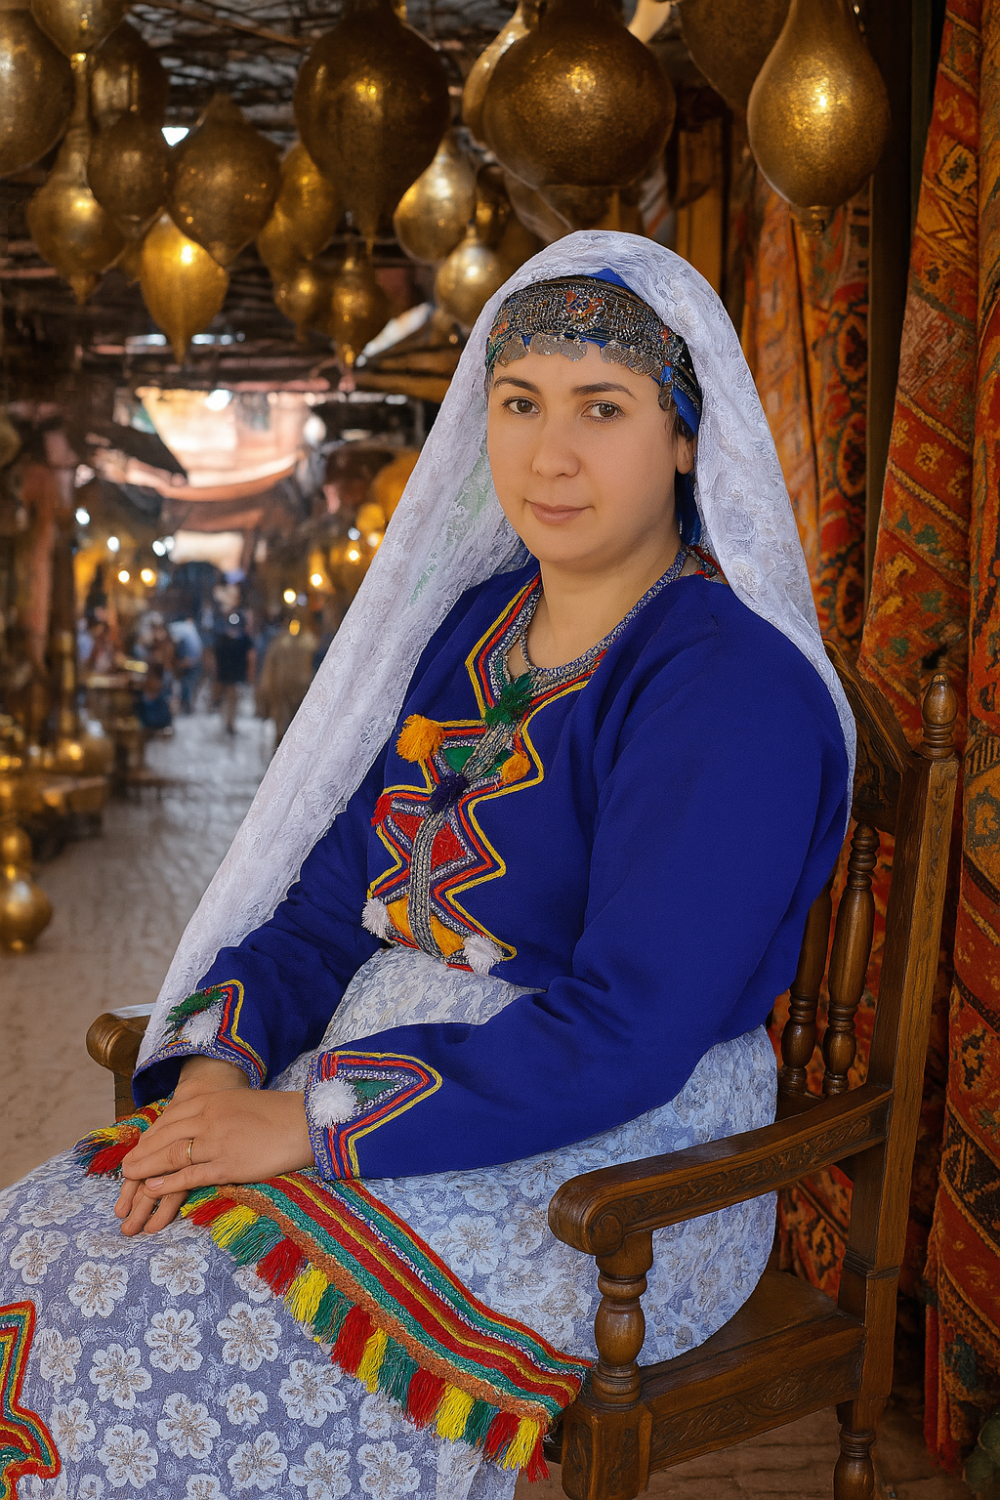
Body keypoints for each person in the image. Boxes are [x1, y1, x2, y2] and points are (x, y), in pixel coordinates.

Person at [0, 235, 852, 1500]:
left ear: (683, 439)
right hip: (385, 1093)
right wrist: (224, 1067)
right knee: (38, 1246)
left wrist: (303, 1121)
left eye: (601, 410)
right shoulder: (474, 629)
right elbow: (327, 907)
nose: (547, 455)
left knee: (151, 1332)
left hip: (617, 1168)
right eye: (518, 403)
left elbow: (630, 1031)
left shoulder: (727, 687)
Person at [255, 615, 318, 746]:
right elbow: (270, 665)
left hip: (301, 689)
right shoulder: (279, 643)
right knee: (280, 720)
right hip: (281, 688)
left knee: (297, 722)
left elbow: (312, 663)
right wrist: (266, 686)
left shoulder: (308, 642)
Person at [212, 610, 255, 735]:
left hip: (230, 676)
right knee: (229, 700)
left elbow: (250, 657)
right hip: (228, 675)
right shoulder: (229, 639)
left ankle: (229, 722)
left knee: (230, 699)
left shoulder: (228, 639)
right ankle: (228, 722)